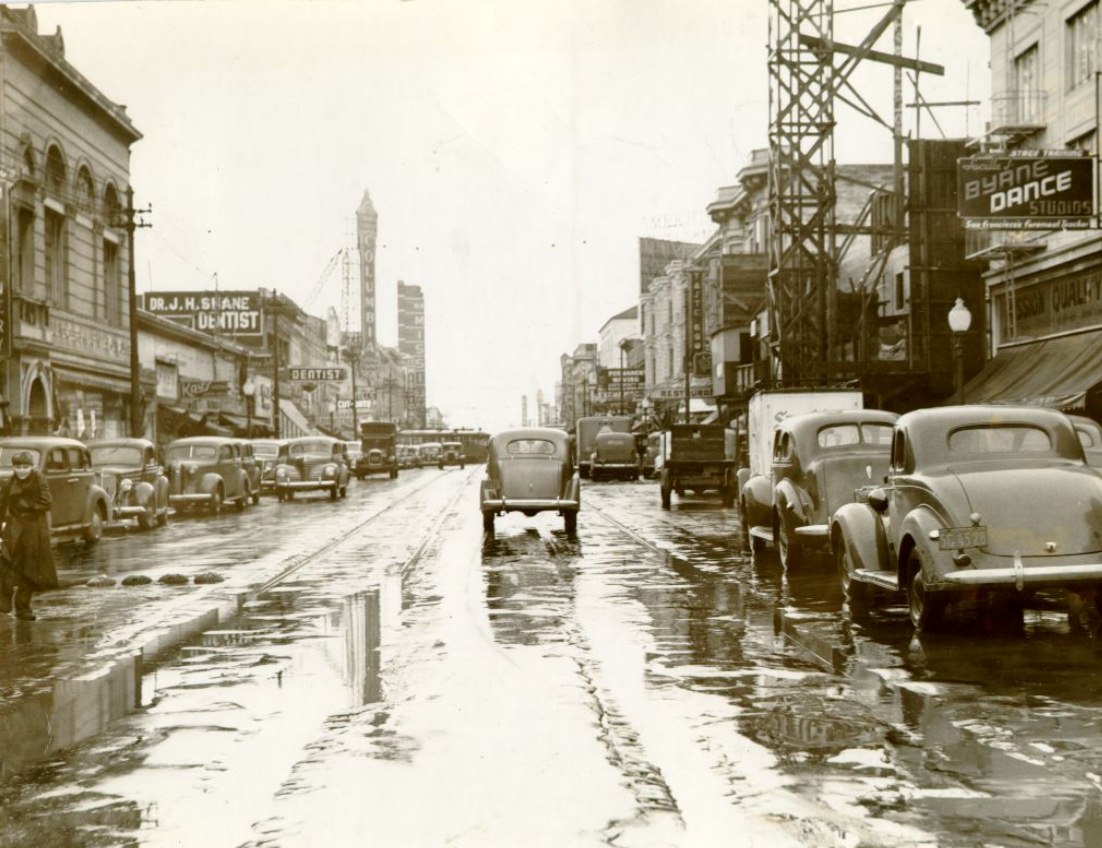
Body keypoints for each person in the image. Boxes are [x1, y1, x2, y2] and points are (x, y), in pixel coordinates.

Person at [0, 451, 57, 620]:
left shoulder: (39, 480)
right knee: (7, 562)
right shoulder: (9, 482)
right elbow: (2, 505)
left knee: (31, 568)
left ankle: (23, 608)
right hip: (14, 527)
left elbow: (47, 501)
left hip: (34, 528)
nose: (22, 471)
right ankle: (4, 601)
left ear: (32, 467)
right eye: (18, 467)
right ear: (14, 467)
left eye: (25, 467)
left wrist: (27, 506)